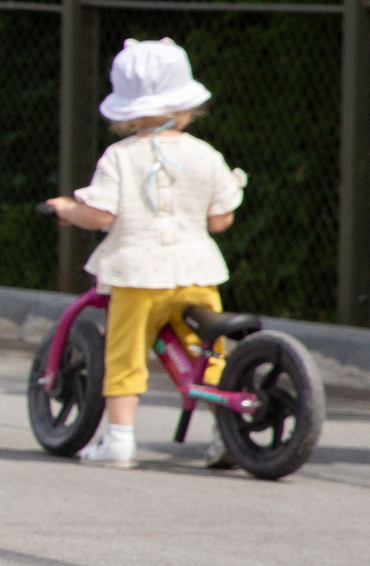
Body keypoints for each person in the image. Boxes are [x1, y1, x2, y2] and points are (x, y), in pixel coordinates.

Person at [45, 38, 245, 469]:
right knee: (206, 353)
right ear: (187, 103)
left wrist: (67, 209)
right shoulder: (205, 155)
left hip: (137, 275)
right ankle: (228, 434)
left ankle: (119, 439)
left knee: (125, 352)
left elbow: (99, 215)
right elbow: (220, 221)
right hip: (196, 272)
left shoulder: (120, 156)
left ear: (126, 109)